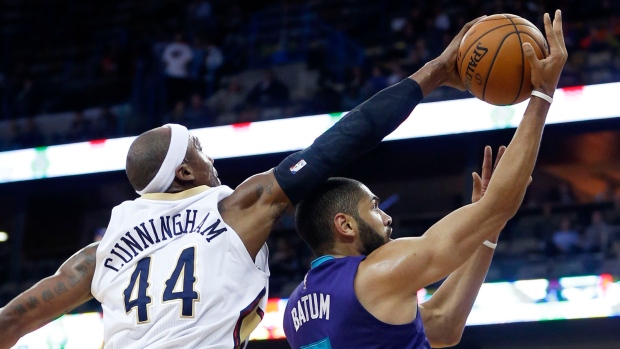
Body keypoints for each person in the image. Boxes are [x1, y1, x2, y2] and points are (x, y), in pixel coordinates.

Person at [0, 15, 488, 349]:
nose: (210, 158)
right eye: (199, 149)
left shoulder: (97, 254)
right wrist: (432, 74)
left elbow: (12, 321)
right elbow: (344, 139)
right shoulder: (236, 207)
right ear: (186, 172)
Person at [284, 10, 567, 349]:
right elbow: (500, 203)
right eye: (373, 207)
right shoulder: (376, 273)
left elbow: (444, 324)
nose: (387, 217)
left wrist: (486, 228)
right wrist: (542, 94)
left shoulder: (295, 310)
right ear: (344, 225)